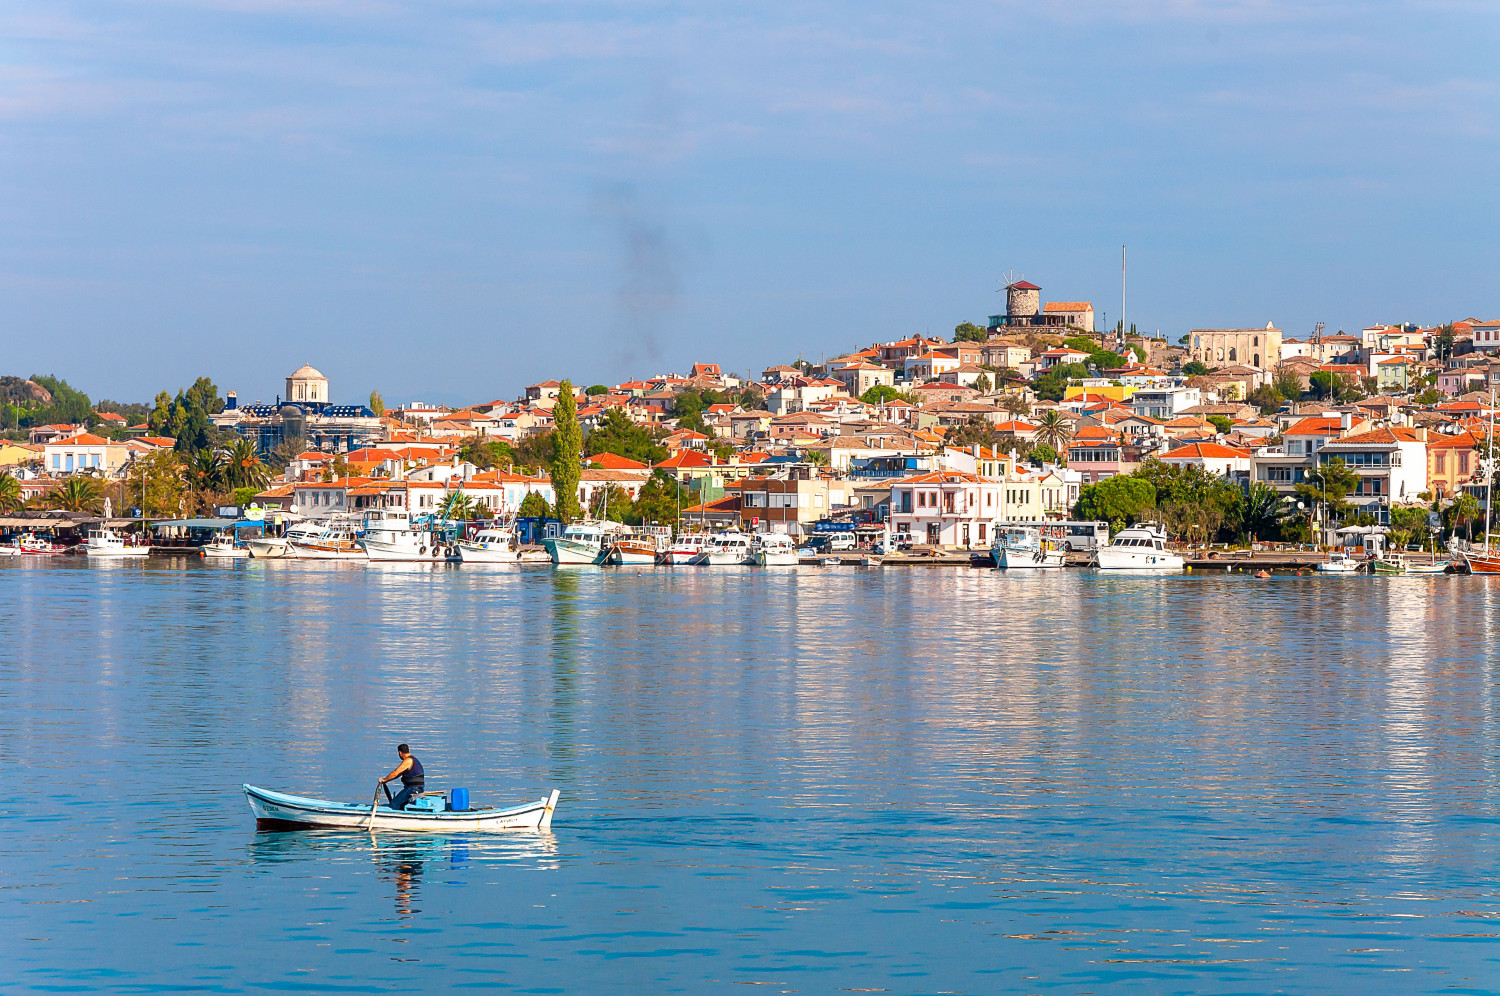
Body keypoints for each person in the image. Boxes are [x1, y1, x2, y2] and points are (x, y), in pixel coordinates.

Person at [379, 743, 425, 810]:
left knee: (394, 804)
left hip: (412, 789)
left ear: (400, 753)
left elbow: (395, 773)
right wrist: (386, 780)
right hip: (417, 788)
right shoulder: (414, 759)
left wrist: (384, 780)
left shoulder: (408, 761)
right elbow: (397, 775)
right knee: (401, 805)